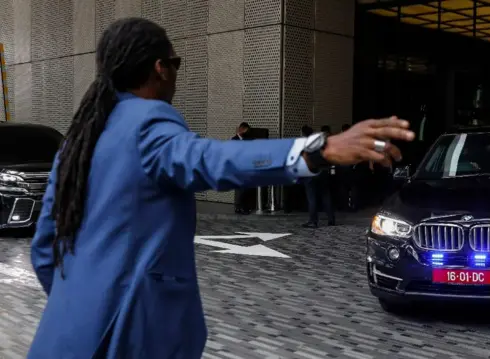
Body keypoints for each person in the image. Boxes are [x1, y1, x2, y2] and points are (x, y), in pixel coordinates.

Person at [28, 18, 414, 359]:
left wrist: (79, 301)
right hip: (133, 339)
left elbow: (44, 249)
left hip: (62, 336)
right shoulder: (147, 121)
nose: (177, 74)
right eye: (176, 64)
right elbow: (211, 160)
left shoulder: (78, 143)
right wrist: (320, 150)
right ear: (161, 68)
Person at [302, 125, 336, 228]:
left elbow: (305, 158)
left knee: (312, 197)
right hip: (323, 171)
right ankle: (331, 219)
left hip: (312, 172)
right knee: (326, 195)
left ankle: (313, 221)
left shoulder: (305, 143)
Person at [231, 122, 251, 214]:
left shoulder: (248, 139)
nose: (246, 131)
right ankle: (239, 207)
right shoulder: (233, 140)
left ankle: (241, 206)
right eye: (245, 129)